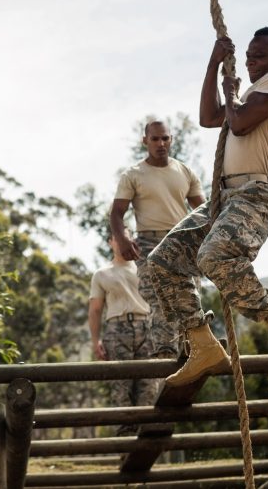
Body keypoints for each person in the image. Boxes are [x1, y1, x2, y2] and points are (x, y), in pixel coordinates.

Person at [147, 27, 268, 387]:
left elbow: (238, 125)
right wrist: (213, 65)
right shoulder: (249, 95)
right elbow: (209, 117)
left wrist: (230, 89)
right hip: (224, 198)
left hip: (257, 194)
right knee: (162, 261)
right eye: (249, 57)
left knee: (214, 256)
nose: (251, 62)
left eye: (260, 56)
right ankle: (202, 344)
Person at [109, 120, 205, 359]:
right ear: (145, 141)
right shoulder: (133, 174)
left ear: (171, 140)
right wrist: (123, 238)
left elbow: (203, 210)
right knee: (159, 296)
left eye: (165, 138)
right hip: (149, 242)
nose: (161, 143)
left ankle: (192, 351)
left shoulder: (185, 172)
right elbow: (117, 213)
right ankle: (164, 352)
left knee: (190, 297)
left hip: (182, 240)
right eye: (155, 139)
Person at [88, 229, 156, 436]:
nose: (122, 241)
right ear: (111, 242)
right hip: (117, 330)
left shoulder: (144, 268)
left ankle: (146, 435)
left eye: (126, 237)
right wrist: (95, 341)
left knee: (148, 384)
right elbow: (95, 309)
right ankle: (126, 438)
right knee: (121, 385)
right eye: (118, 238)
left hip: (146, 326)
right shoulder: (102, 274)